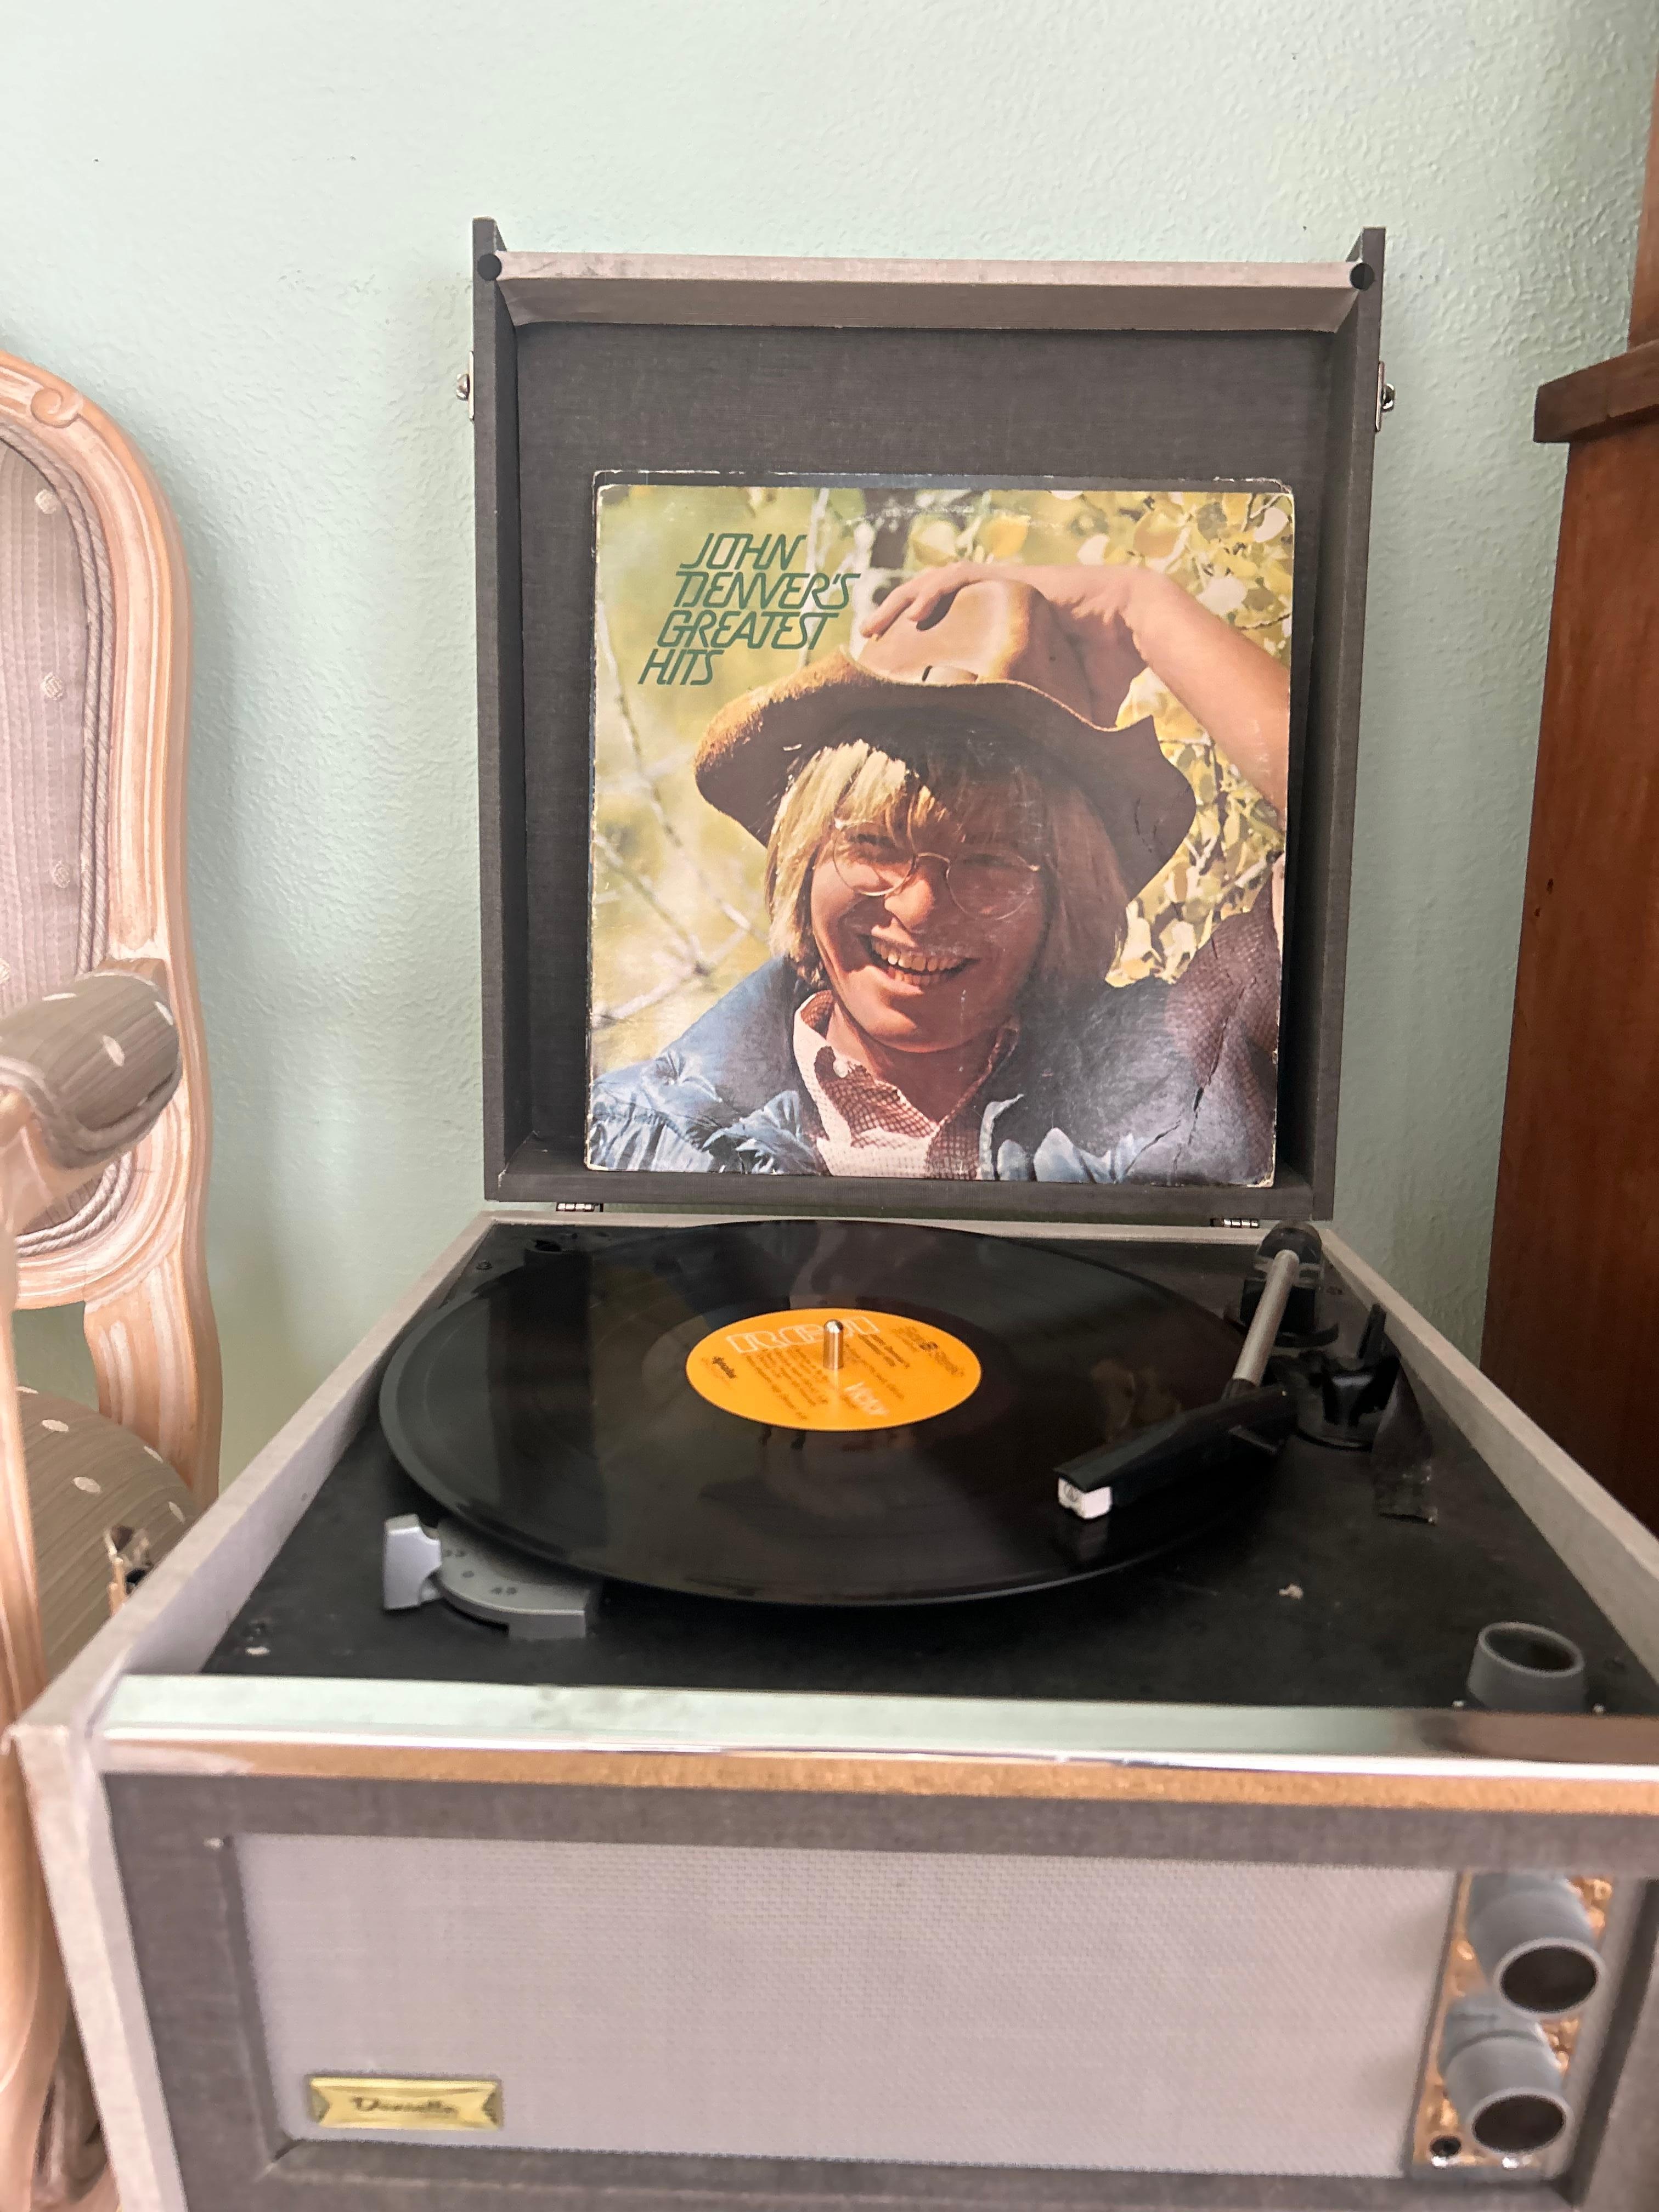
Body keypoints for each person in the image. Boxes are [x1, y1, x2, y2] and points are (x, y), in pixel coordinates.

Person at [587, 560, 1289, 1184]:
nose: (920, 908)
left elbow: (1347, 831)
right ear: (804, 862)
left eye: (991, 862)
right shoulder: (634, 1135)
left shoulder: (1174, 1074)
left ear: (1063, 897)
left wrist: (1139, 602)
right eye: (873, 845)